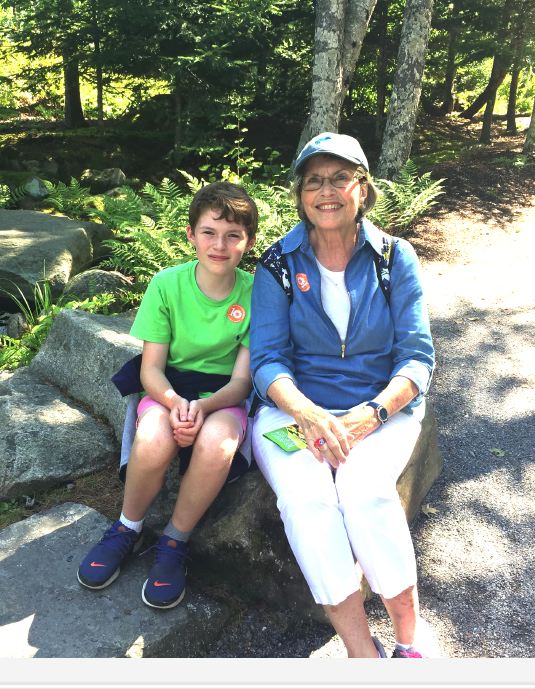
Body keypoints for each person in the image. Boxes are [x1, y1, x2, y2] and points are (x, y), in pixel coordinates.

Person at [249, 132, 435, 658]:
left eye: (339, 179)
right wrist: (307, 414)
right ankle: (362, 653)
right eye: (314, 181)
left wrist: (372, 414)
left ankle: (407, 642)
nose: (325, 192)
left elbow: (418, 357)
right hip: (292, 411)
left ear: (363, 188)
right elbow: (267, 360)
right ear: (300, 194)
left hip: (380, 410)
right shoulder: (278, 264)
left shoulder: (394, 257)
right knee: (307, 501)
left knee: (366, 493)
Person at [77, 181, 258, 610]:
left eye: (233, 235)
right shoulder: (166, 284)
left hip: (223, 395)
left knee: (219, 442)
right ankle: (127, 528)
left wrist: (203, 407)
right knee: (155, 434)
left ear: (248, 242)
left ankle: (174, 542)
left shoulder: (256, 293)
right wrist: (177, 403)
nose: (220, 244)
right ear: (191, 235)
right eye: (209, 232)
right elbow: (151, 368)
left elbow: (242, 381)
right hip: (168, 388)